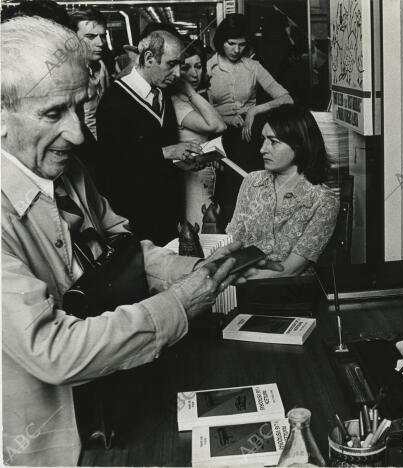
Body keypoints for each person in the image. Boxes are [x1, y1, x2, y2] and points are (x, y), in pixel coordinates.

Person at [1, 17, 279, 466]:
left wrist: (191, 272)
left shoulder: (69, 172)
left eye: (79, 106)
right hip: (50, 448)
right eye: (53, 113)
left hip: (118, 410)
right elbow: (52, 350)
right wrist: (180, 305)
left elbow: (123, 249)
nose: (76, 133)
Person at [96, 29, 203, 246]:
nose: (178, 74)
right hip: (136, 216)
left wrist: (184, 160)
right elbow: (112, 165)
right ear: (148, 58)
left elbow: (165, 149)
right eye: (171, 64)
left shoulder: (162, 94)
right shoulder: (113, 100)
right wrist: (165, 152)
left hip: (168, 210)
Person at [227, 105, 339, 278]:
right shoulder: (252, 181)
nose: (262, 149)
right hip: (240, 282)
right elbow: (233, 242)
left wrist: (230, 280)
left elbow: (291, 269)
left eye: (273, 141)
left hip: (289, 292)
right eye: (263, 140)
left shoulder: (323, 200)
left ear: (299, 144)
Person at [206, 13, 294, 231]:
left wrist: (255, 110)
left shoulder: (253, 67)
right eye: (231, 44)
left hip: (248, 137)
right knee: (226, 196)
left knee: (253, 189)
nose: (237, 50)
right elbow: (201, 110)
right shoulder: (207, 67)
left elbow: (286, 98)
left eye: (242, 44)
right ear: (221, 41)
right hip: (217, 136)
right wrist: (224, 120)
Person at [171, 41, 227, 228]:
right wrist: (188, 90)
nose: (194, 74)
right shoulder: (178, 102)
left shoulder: (195, 97)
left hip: (203, 171)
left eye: (198, 66)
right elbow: (218, 125)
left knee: (207, 226)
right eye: (186, 68)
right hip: (191, 178)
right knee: (201, 230)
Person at [70, 7, 110, 139]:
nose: (100, 43)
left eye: (103, 36)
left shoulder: (102, 66)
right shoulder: (67, 75)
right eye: (91, 37)